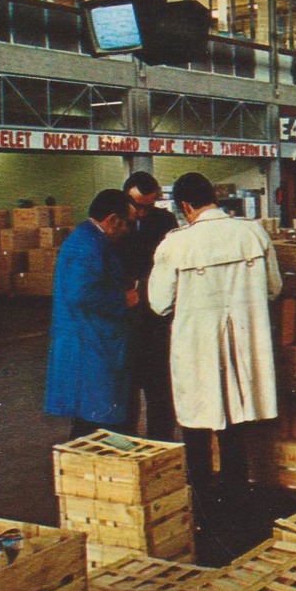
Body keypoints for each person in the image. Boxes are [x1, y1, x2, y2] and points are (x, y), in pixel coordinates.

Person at [148, 173, 282, 558]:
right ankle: (238, 508)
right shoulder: (252, 233)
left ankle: (203, 512)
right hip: (244, 343)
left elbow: (159, 303)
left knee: (197, 426)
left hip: (197, 348)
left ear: (185, 207)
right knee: (235, 427)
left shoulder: (176, 244)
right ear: (215, 198)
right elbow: (274, 288)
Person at [45, 189, 140, 439]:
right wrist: (123, 299)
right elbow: (81, 293)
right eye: (129, 223)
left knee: (95, 414)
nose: (131, 230)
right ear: (111, 220)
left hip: (95, 338)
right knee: (96, 415)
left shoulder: (92, 241)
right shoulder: (87, 246)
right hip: (90, 342)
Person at [119, 170, 180, 441]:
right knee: (125, 393)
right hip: (124, 321)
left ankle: (161, 447)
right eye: (137, 206)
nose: (142, 213)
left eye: (149, 206)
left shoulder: (165, 221)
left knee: (160, 393)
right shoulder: (116, 224)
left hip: (156, 320)